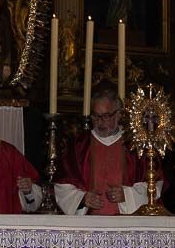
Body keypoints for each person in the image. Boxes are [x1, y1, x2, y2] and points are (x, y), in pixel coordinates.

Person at [54, 83, 154, 215]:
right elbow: (62, 186)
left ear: (118, 114)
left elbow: (154, 185)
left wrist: (127, 195)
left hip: (128, 226)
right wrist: (82, 199)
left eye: (106, 116)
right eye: (95, 116)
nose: (100, 122)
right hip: (88, 227)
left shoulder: (134, 145)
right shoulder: (78, 146)